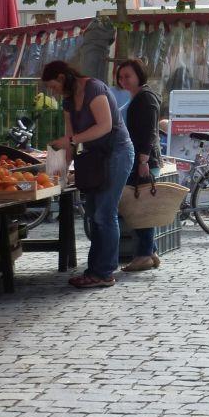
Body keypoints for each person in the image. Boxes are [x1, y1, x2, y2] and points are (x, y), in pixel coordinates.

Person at [43, 61, 134, 289]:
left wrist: (71, 141)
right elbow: (69, 140)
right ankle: (94, 270)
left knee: (105, 213)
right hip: (95, 158)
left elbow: (105, 125)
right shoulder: (67, 101)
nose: (52, 91)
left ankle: (104, 272)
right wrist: (60, 173)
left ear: (62, 78)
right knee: (93, 214)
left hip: (117, 152)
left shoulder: (94, 88)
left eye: (53, 86)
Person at [115, 59, 163, 274]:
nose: (123, 80)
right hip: (137, 160)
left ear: (139, 76)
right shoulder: (137, 96)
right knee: (137, 206)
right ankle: (149, 251)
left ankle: (144, 254)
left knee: (139, 208)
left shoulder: (145, 98)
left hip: (144, 161)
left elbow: (149, 132)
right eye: (121, 76)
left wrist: (143, 160)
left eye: (128, 76)